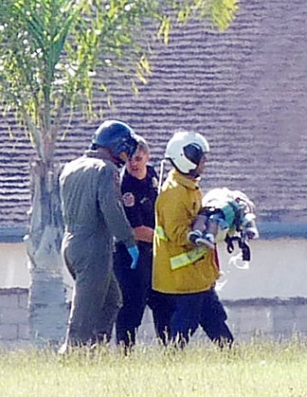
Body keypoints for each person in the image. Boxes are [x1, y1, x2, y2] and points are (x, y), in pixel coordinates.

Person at [59, 120, 141, 351]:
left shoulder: (70, 167)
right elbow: (111, 208)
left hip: (70, 244)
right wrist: (128, 240)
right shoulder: (106, 170)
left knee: (111, 300)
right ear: (118, 146)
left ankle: (97, 349)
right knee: (83, 314)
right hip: (94, 247)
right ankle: (73, 355)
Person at [152, 130, 233, 347]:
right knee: (185, 325)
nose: (204, 161)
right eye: (200, 156)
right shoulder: (174, 193)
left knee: (215, 319)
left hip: (197, 276)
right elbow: (177, 232)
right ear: (186, 157)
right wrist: (197, 236)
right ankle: (172, 361)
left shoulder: (189, 188)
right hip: (182, 279)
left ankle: (233, 356)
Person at [113, 138, 167, 349]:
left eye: (137, 158)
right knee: (131, 307)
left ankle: (170, 350)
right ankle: (125, 352)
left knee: (163, 303)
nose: (133, 164)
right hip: (131, 255)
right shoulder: (125, 187)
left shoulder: (153, 175)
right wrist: (168, 239)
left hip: (155, 253)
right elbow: (137, 231)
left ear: (147, 157)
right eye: (129, 160)